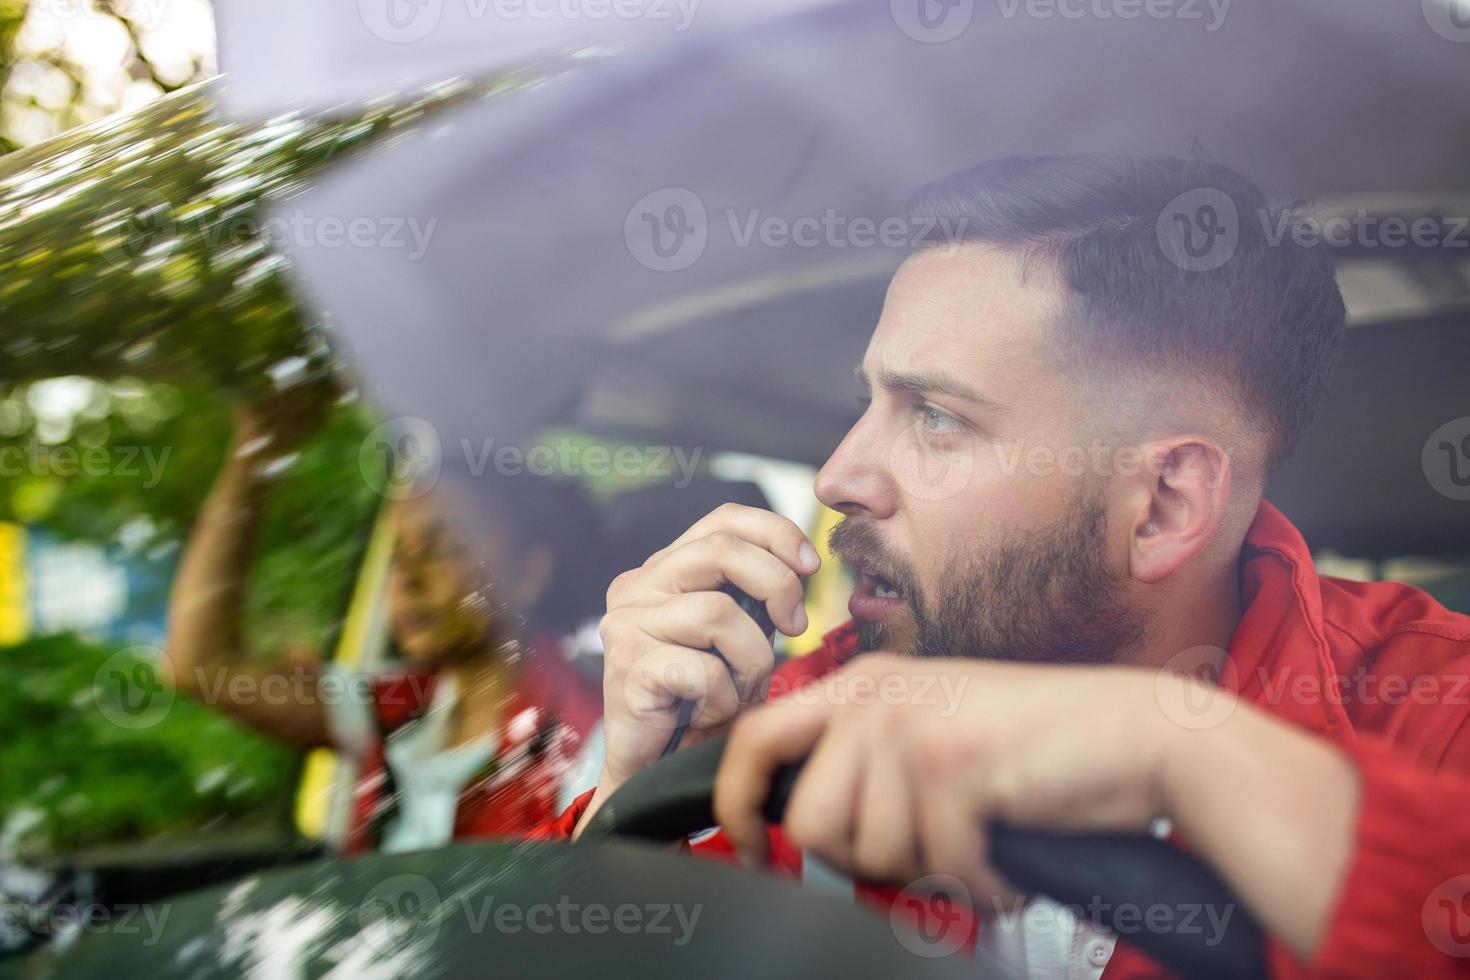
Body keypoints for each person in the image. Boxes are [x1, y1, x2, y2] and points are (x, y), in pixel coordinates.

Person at [535, 156, 1470, 978]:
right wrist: (637, 791)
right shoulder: (804, 711)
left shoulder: (1437, 710)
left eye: (936, 417)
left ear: (1165, 506)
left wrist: (1180, 750)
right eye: (870, 403)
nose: (838, 477)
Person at [162, 394, 605, 853]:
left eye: (445, 548)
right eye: (397, 554)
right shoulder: (397, 705)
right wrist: (254, 457)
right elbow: (199, 665)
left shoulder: (590, 741)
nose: (407, 580)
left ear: (530, 573)